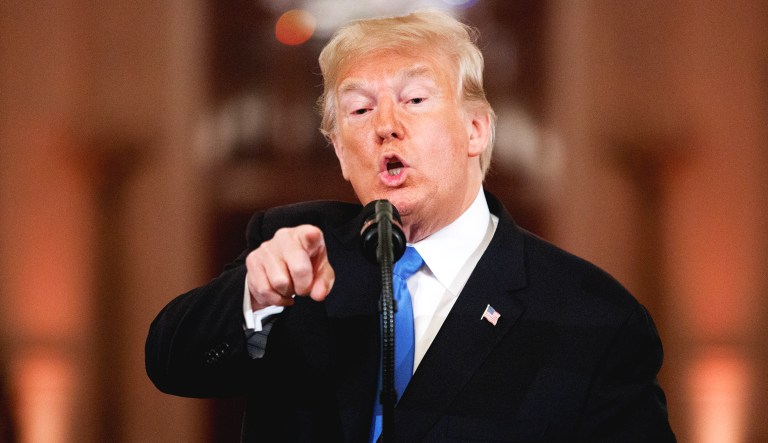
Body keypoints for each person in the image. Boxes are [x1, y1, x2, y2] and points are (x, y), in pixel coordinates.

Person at [146, 9, 675, 442]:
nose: (385, 127)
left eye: (415, 100)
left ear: (475, 130)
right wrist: (254, 296)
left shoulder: (597, 319)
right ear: (338, 151)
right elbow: (171, 364)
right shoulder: (298, 255)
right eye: (358, 110)